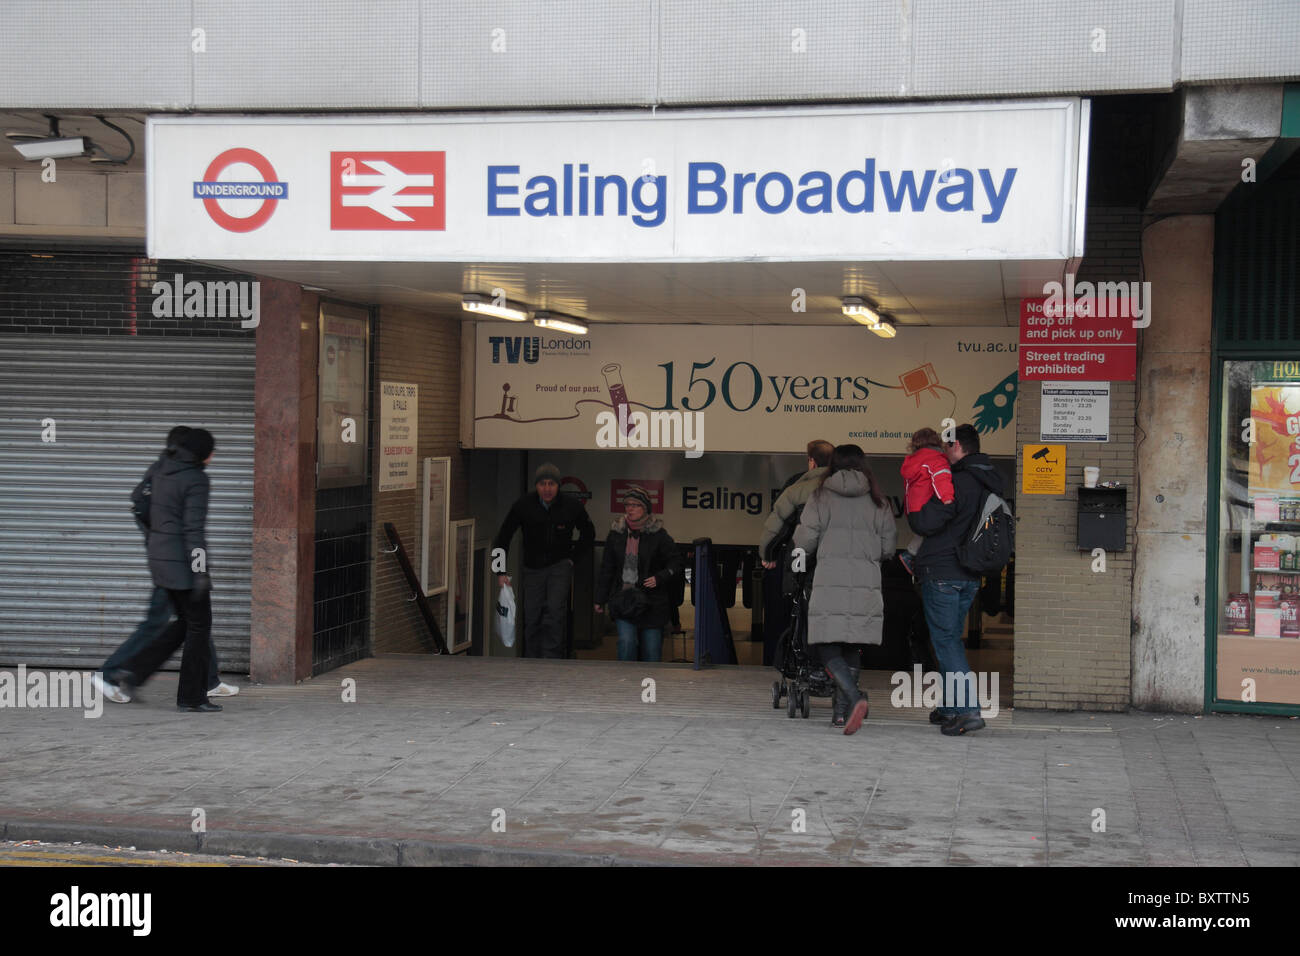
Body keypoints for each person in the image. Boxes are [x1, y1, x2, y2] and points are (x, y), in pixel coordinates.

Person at [93, 426, 237, 704]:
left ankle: (206, 681)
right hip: (181, 565)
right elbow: (194, 530)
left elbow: (138, 503)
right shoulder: (195, 479)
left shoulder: (161, 468)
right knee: (179, 623)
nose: (215, 455)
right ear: (202, 453)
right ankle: (118, 673)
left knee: (191, 624)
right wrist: (201, 571)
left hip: (159, 559)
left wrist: (156, 538)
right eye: (211, 450)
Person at [792, 444, 896, 734]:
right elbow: (888, 548)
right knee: (852, 646)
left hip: (829, 581)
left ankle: (851, 697)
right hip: (865, 583)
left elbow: (805, 542)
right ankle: (841, 714)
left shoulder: (820, 497)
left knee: (826, 645)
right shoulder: (879, 501)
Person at [909, 423, 1002, 736]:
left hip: (943, 572)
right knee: (949, 640)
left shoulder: (957, 481)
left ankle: (967, 710)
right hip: (970, 575)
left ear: (957, 446)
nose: (943, 454)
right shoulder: (992, 481)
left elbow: (925, 522)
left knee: (946, 642)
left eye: (947, 447)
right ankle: (950, 707)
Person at [493, 463, 596, 659]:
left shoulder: (571, 506)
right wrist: (500, 572)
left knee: (555, 612)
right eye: (542, 484)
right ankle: (532, 659)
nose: (547, 489)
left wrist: (573, 559)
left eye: (551, 484)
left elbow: (589, 533)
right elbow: (502, 538)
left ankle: (552, 659)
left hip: (560, 566)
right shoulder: (523, 505)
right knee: (532, 615)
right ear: (536, 486)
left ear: (558, 486)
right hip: (532, 568)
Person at [759, 440, 834, 666]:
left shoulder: (797, 488)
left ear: (811, 461)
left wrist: (768, 554)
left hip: (803, 561)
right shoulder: (849, 488)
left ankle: (803, 662)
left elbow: (779, 523)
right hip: (839, 565)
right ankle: (834, 665)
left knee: (800, 608)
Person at [594, 485, 682, 662]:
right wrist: (600, 599)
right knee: (627, 644)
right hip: (624, 600)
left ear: (646, 508)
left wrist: (660, 577)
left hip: (653, 603)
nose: (630, 508)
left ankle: (649, 687)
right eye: (627, 504)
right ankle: (627, 686)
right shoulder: (616, 534)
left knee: (651, 651)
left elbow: (677, 562)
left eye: (635, 505)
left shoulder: (659, 535)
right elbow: (607, 569)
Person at [897, 427, 955, 577]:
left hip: (913, 513)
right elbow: (941, 479)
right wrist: (947, 499)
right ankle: (911, 554)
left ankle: (912, 553)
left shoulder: (911, 462)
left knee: (927, 533)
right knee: (950, 522)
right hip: (926, 511)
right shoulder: (936, 460)